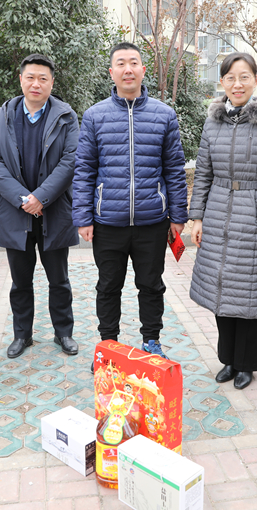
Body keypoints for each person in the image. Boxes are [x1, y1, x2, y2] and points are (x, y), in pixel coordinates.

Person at [72, 42, 188, 362]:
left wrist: (178, 215)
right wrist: (83, 217)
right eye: (121, 63)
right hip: (108, 222)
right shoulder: (95, 116)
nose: (127, 69)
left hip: (152, 221)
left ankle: (152, 341)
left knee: (151, 285)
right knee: (108, 286)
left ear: (142, 70)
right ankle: (108, 346)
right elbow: (84, 170)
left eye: (133, 63)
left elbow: (174, 169)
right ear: (112, 72)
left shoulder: (164, 115)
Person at [189, 53, 257, 390]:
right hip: (218, 212)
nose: (237, 84)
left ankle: (247, 364)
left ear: (256, 80)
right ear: (222, 82)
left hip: (255, 214)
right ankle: (228, 359)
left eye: (244, 77)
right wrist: (197, 216)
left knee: (248, 294)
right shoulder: (213, 122)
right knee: (221, 288)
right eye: (230, 77)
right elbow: (203, 173)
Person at [0, 54, 80, 359]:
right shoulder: (1, 116)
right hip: (16, 213)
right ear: (21, 80)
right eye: (30, 77)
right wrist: (24, 199)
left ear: (52, 82)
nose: (36, 84)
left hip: (55, 211)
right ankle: (22, 335)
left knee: (59, 281)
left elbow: (70, 161)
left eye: (43, 78)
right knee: (20, 282)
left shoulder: (66, 116)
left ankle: (63, 332)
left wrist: (41, 197)